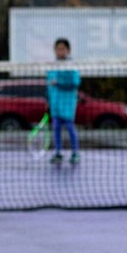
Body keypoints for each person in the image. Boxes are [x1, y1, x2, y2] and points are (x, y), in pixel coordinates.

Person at [47, 37, 80, 165]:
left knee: (70, 128)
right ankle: (58, 153)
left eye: (63, 49)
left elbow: (75, 83)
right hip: (55, 104)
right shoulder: (52, 66)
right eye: (58, 49)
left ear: (68, 50)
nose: (60, 51)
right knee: (56, 128)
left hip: (68, 104)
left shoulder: (72, 66)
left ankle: (75, 153)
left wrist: (59, 83)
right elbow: (49, 85)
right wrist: (48, 100)